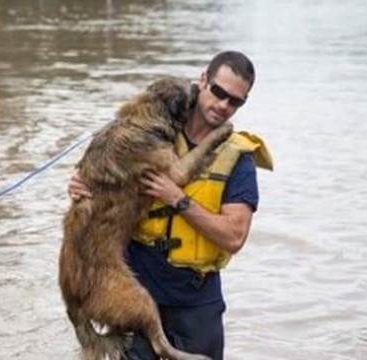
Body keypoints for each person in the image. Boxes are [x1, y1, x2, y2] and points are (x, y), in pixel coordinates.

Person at [68, 51, 273, 359]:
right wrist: (79, 187)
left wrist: (177, 199)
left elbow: (234, 237)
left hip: (195, 297)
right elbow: (97, 178)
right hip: (137, 282)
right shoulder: (152, 127)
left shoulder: (238, 157)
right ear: (203, 80)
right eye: (218, 92)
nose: (223, 105)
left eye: (235, 101)